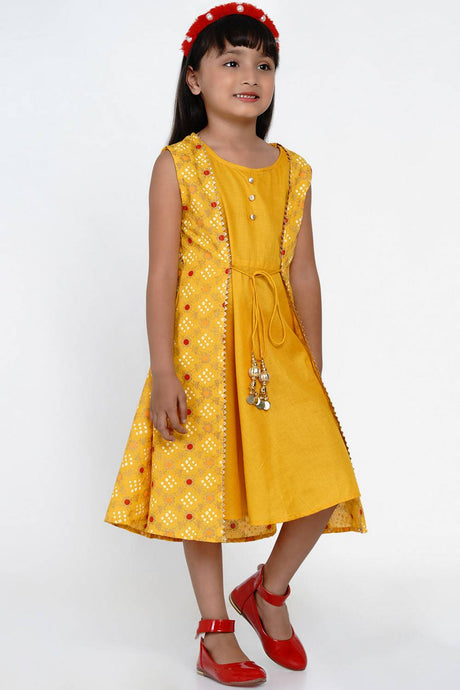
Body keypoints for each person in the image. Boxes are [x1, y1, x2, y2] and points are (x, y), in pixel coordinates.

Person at [104, 2, 367, 686]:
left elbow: (303, 273)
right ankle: (215, 627)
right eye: (231, 61)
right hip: (199, 351)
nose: (250, 75)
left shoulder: (294, 170)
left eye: (264, 64)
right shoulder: (179, 165)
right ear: (195, 79)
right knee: (205, 488)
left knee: (324, 476)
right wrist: (164, 370)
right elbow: (162, 273)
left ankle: (267, 591)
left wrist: (313, 361)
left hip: (276, 350)